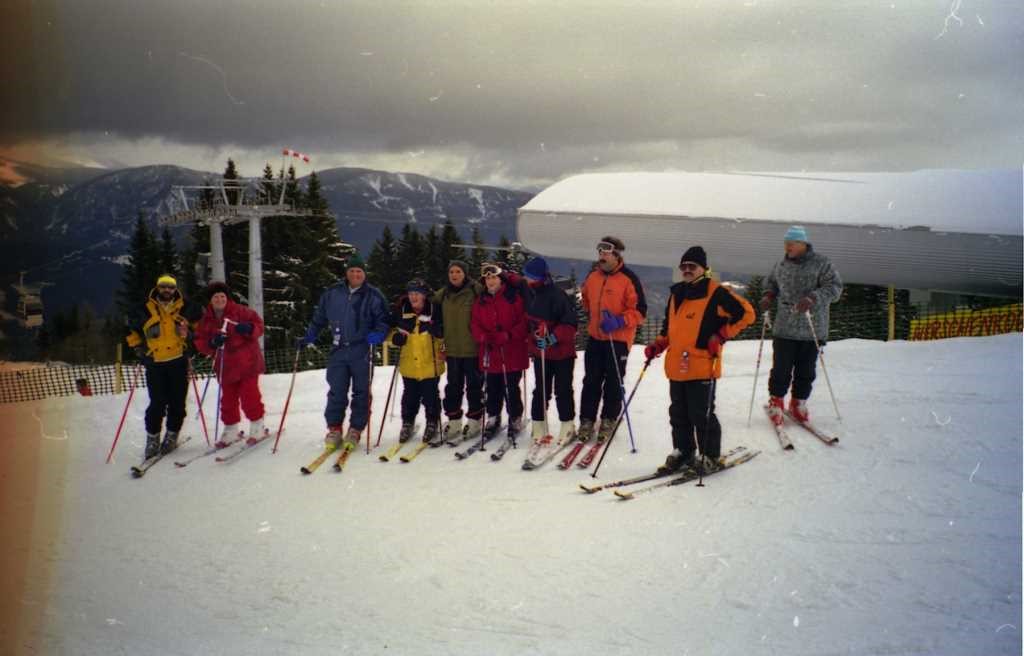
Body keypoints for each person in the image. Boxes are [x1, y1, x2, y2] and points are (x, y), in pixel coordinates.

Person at [644, 246, 755, 473]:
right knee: (678, 413)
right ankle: (683, 451)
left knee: (701, 414)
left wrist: (722, 335)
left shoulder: (716, 293)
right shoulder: (677, 294)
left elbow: (746, 314)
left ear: (704, 269)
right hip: (677, 365)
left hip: (703, 364)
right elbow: (669, 328)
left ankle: (709, 455)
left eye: (691, 266)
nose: (686, 270)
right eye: (683, 266)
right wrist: (659, 344)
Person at [297, 254, 390, 451]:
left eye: (359, 271)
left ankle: (356, 428)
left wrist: (379, 334)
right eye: (352, 271)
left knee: (362, 391)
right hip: (338, 349)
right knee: (336, 390)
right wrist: (310, 336)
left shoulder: (373, 295)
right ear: (346, 273)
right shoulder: (332, 294)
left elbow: (384, 319)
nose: (355, 274)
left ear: (364, 274)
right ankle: (335, 428)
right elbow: (319, 318)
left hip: (361, 349)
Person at [758, 225, 843, 425]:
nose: (787, 247)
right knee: (781, 368)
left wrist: (814, 297)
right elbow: (771, 283)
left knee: (806, 370)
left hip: (812, 326)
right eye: (786, 243)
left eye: (792, 243)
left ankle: (798, 402)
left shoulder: (822, 263)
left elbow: (835, 288)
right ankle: (776, 401)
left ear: (803, 244)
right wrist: (768, 295)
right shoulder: (781, 265)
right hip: (784, 327)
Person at [578, 236, 647, 443]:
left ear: (616, 255)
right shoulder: (593, 277)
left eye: (606, 253)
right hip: (596, 338)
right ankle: (587, 420)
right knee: (591, 381)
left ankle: (608, 419)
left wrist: (619, 321)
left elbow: (640, 311)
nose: (602, 256)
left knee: (614, 382)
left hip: (618, 340)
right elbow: (587, 301)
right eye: (599, 252)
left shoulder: (629, 278)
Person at [125, 274, 198, 458]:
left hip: (179, 361)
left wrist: (188, 334)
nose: (167, 290)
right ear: (157, 288)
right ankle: (153, 438)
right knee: (157, 403)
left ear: (175, 289)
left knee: (177, 403)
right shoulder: (144, 308)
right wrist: (138, 349)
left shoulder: (187, 307)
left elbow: (199, 331)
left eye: (170, 287)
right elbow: (131, 330)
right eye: (163, 287)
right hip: (155, 363)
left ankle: (172, 435)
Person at [193, 281, 267, 447]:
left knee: (250, 396)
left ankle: (257, 426)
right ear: (210, 301)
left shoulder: (240, 311)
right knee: (228, 400)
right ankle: (231, 429)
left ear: (227, 297)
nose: (219, 299)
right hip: (225, 366)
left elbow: (259, 325)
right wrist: (212, 343)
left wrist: (248, 329)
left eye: (222, 296)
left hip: (247, 362)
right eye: (215, 297)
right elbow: (200, 341)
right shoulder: (207, 320)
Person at [520, 256, 578, 443]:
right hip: (541, 353)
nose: (526, 279)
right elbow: (529, 326)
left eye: (529, 276)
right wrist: (533, 344)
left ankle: (567, 425)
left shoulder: (557, 295)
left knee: (562, 389)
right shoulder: (530, 294)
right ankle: (538, 425)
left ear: (538, 277)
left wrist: (551, 338)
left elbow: (570, 325)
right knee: (541, 390)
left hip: (562, 354)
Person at [470, 262, 529, 438]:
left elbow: (524, 321)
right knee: (492, 387)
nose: (490, 281)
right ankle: (493, 417)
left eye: (493, 277)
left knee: (511, 387)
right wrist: (482, 336)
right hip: (490, 352)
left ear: (500, 279)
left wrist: (509, 335)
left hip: (511, 351)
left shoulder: (513, 297)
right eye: (487, 278)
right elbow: (474, 323)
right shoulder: (481, 300)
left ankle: (515, 417)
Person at [432, 260, 485, 441]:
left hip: (472, 349)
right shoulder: (443, 294)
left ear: (465, 274)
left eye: (458, 272)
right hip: (453, 350)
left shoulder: (475, 290)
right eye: (451, 272)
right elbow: (429, 306)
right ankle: (454, 421)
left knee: (474, 387)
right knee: (453, 387)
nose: (454, 275)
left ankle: (475, 419)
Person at [389, 278, 445, 443]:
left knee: (430, 396)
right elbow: (389, 331)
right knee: (410, 396)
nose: (413, 297)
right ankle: (408, 422)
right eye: (411, 293)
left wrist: (439, 334)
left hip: (430, 363)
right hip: (409, 364)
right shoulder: (401, 310)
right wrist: (395, 338)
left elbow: (444, 335)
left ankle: (432, 422)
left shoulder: (435, 311)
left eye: (417, 294)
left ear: (424, 296)